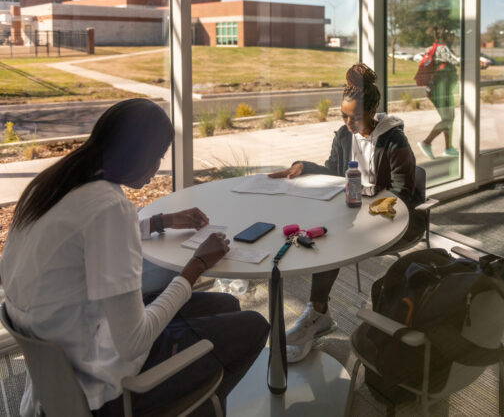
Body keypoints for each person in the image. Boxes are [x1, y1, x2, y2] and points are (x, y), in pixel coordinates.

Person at [0, 98, 269, 416]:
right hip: (103, 387)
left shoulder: (53, 185)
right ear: (137, 154)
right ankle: (192, 406)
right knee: (253, 325)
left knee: (226, 305)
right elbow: (134, 341)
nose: (158, 166)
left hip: (65, 365)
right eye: (157, 156)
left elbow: (81, 238)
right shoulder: (110, 207)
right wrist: (196, 265)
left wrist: (159, 222)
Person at [268, 64, 422, 363]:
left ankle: (317, 313)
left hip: (393, 220)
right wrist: (305, 166)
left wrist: (371, 200)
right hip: (356, 214)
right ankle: (319, 312)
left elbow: (405, 195)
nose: (348, 123)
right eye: (343, 115)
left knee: (333, 239)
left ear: (373, 109)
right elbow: (334, 172)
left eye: (355, 117)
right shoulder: (343, 134)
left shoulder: (394, 140)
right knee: (322, 234)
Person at [417, 26, 460, 159]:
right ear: (445, 36)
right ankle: (426, 143)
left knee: (448, 119)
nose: (453, 37)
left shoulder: (433, 48)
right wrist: (477, 62)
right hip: (440, 90)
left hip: (440, 89)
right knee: (448, 119)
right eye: (452, 35)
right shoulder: (442, 48)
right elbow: (456, 61)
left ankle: (448, 147)